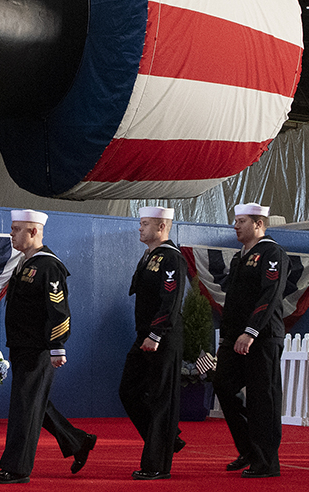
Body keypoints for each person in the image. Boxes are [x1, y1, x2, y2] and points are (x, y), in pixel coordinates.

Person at [0, 209, 97, 484]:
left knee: (24, 408)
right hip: (23, 346)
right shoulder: (26, 263)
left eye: (16, 229)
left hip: (38, 348)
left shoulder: (48, 266)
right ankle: (78, 441)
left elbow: (58, 310)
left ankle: (16, 468)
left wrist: (57, 346)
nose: (11, 234)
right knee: (35, 404)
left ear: (33, 231)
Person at [212, 202, 288, 478]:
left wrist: (251, 331)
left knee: (262, 398)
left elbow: (269, 296)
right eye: (235, 221)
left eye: (242, 221)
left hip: (262, 337)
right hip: (236, 336)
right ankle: (248, 448)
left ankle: (266, 461)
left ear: (259, 224)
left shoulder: (272, 253)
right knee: (223, 385)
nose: (236, 225)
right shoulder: (240, 256)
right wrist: (230, 334)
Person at [119, 206, 186, 480]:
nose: (139, 228)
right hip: (144, 335)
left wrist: (156, 335)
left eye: (145, 224)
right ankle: (168, 439)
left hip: (162, 337)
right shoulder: (149, 256)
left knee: (160, 399)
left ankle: (156, 464)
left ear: (161, 227)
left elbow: (170, 300)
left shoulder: (171, 258)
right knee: (128, 390)